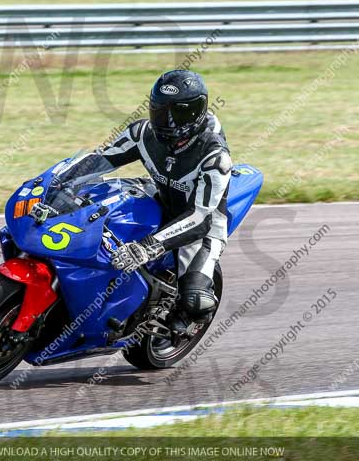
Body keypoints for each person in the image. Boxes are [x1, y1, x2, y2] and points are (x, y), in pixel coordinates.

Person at [53, 69, 232, 326]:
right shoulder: (142, 133)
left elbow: (201, 217)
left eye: (177, 113)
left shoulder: (215, 157)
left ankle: (176, 323)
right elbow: (101, 159)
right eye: (161, 111)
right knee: (92, 202)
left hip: (201, 222)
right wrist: (59, 181)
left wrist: (146, 247)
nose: (167, 122)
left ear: (196, 112)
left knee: (195, 301)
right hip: (160, 195)